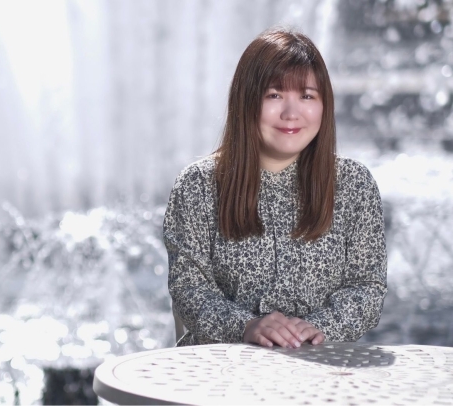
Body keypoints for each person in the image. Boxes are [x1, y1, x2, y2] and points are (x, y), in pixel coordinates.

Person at [163, 27, 387, 348]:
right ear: (246, 101)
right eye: (274, 95)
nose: (291, 113)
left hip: (319, 365)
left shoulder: (354, 184)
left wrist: (316, 329)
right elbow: (188, 288)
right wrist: (245, 327)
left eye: (307, 96)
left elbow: (366, 286)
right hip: (221, 367)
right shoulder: (198, 185)